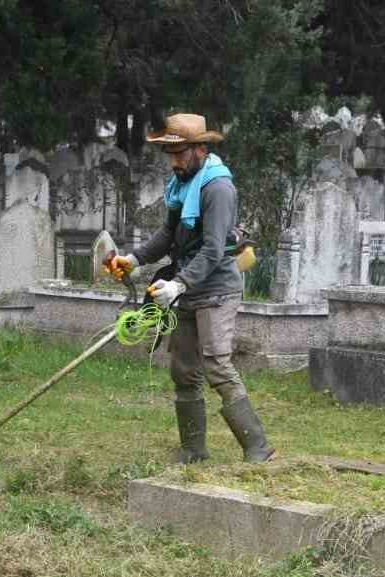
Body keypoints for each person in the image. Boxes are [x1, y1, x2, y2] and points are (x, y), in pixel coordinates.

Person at [104, 113, 274, 465]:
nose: (175, 161)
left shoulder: (217, 187)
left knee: (216, 365)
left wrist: (179, 283)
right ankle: (193, 451)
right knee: (183, 370)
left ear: (200, 149)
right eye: (171, 153)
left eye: (180, 153)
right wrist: (133, 260)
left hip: (216, 290)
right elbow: (169, 235)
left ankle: (259, 449)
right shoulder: (181, 185)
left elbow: (214, 248)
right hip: (185, 289)